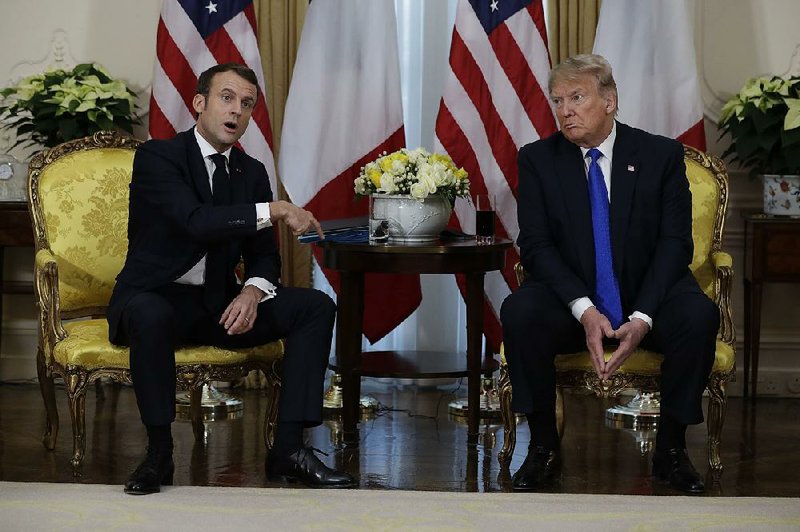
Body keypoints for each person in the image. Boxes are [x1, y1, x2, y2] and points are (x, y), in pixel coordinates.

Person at [107, 63, 356, 495]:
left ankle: (290, 449)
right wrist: (275, 209)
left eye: (246, 104)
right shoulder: (158, 157)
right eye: (226, 98)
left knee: (315, 306)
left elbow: (264, 258)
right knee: (148, 312)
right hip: (156, 298)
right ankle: (159, 453)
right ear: (199, 103)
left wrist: (253, 292)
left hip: (215, 305)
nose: (236, 111)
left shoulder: (252, 172)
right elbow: (195, 221)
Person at [500, 54, 717, 494]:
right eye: (558, 100)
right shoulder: (538, 160)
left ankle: (672, 451)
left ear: (610, 101)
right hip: (574, 298)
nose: (565, 110)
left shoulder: (659, 154)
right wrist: (583, 309)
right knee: (520, 310)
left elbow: (676, 244)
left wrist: (642, 318)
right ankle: (542, 449)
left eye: (577, 97)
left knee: (698, 317)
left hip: (649, 292)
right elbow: (537, 246)